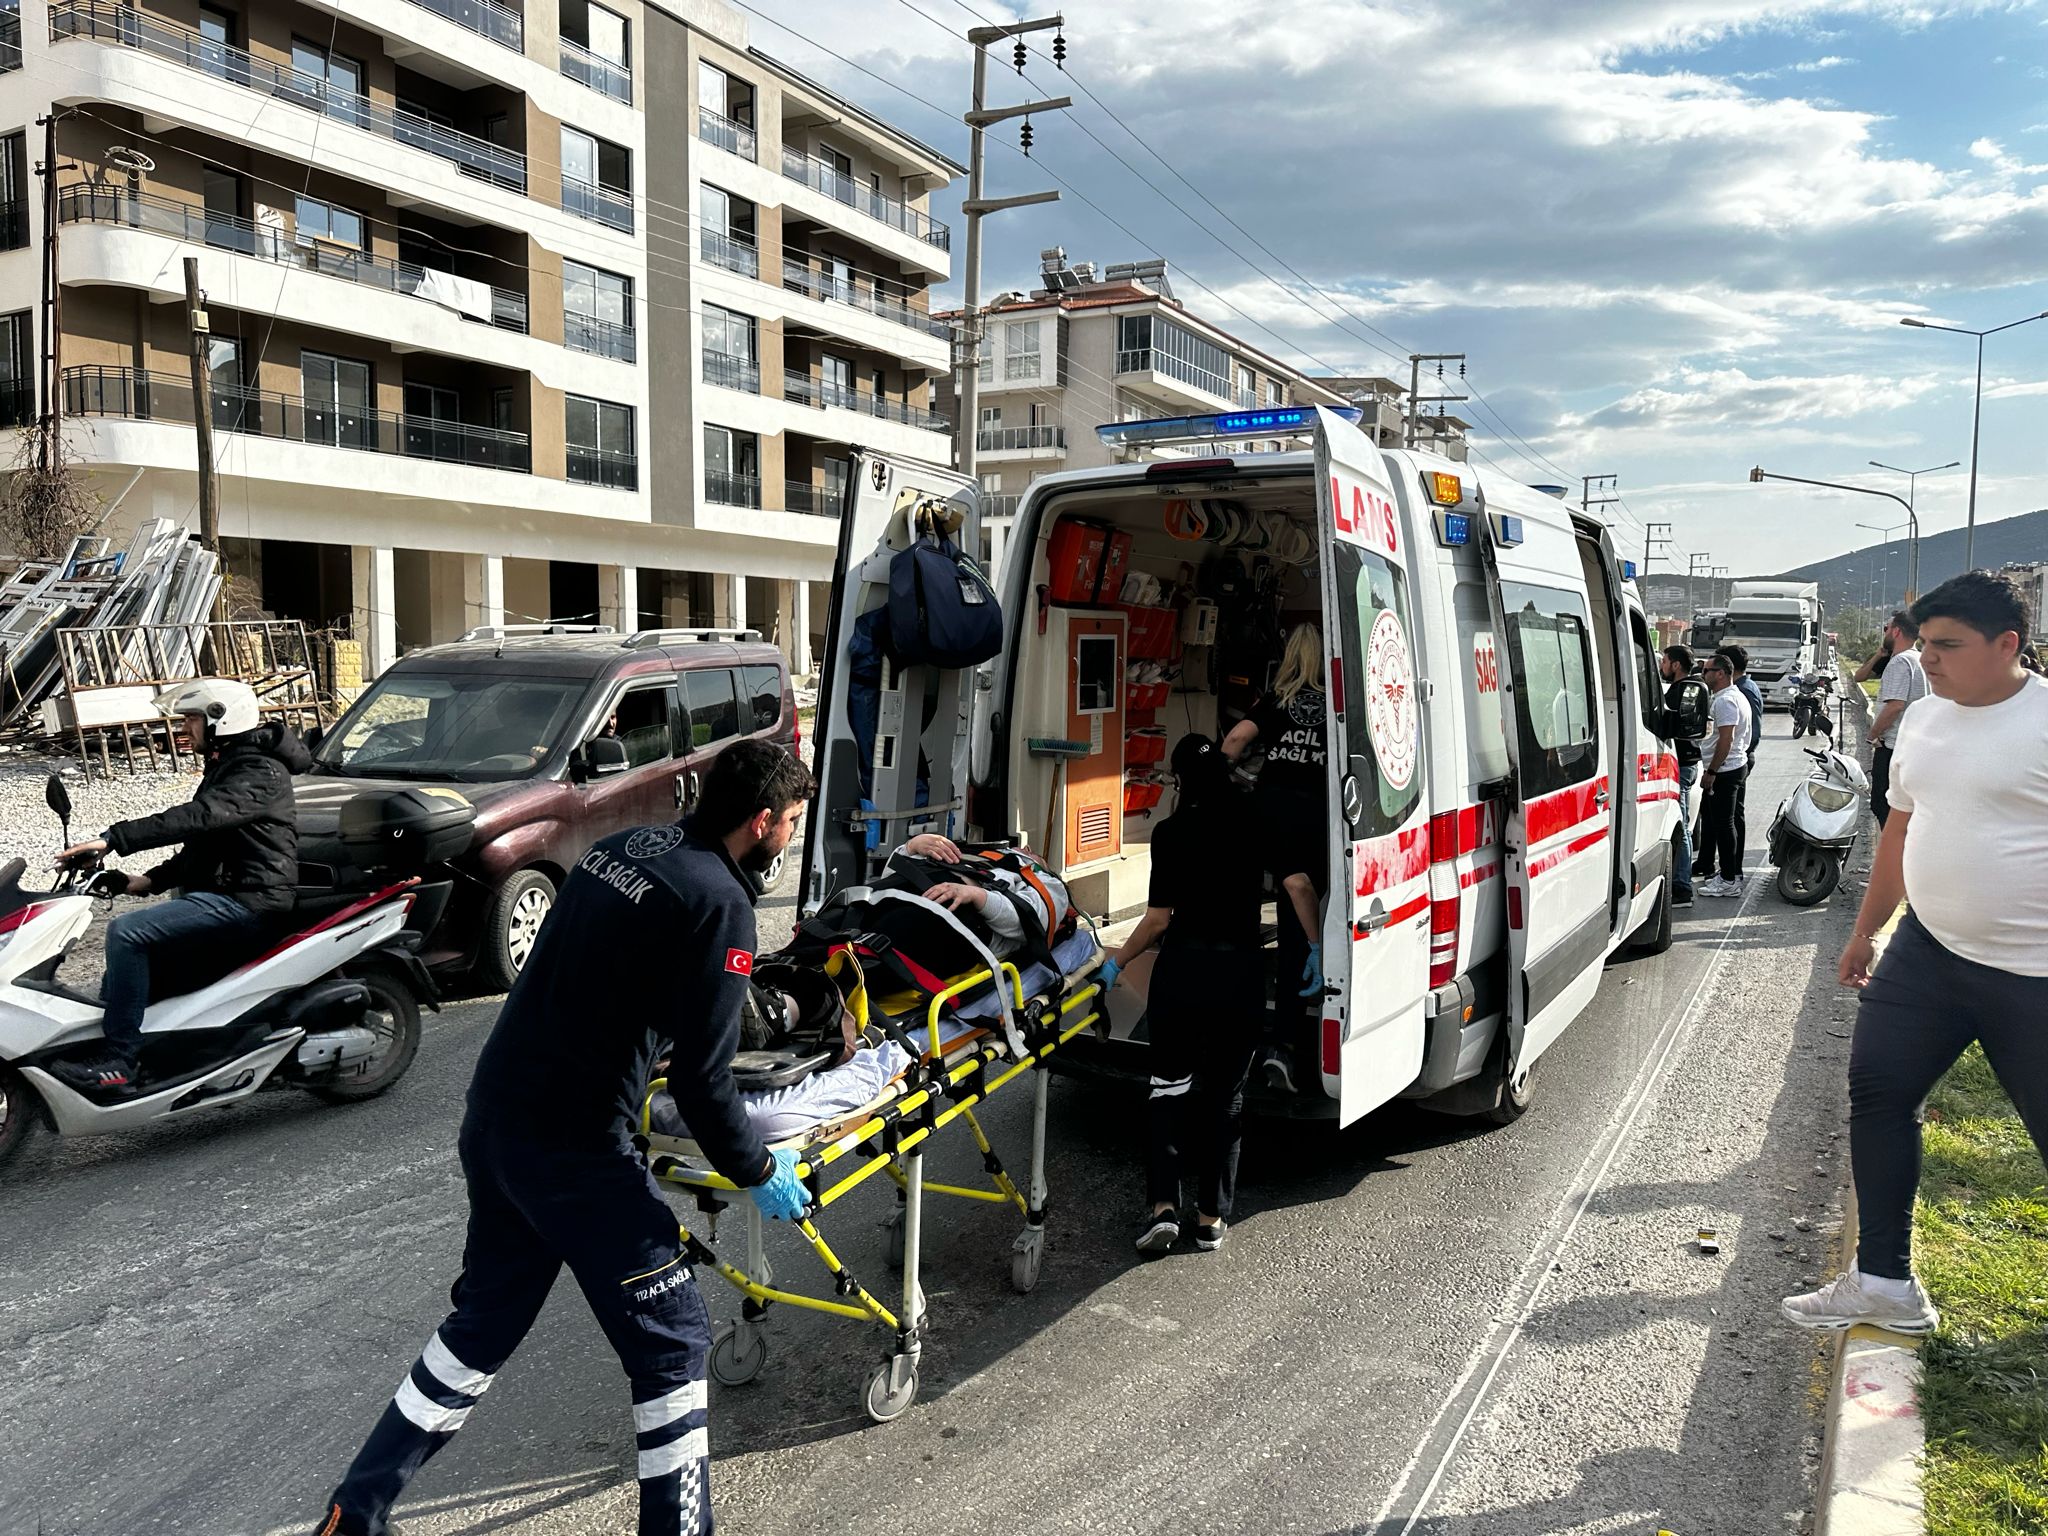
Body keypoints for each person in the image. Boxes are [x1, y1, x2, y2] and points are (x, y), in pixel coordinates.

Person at [314, 741, 816, 1536]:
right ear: (762, 822)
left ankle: (357, 1511)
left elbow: (602, 980)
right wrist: (758, 1169)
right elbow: (704, 1084)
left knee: (480, 1328)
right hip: (577, 1151)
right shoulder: (721, 902)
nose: (789, 835)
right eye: (790, 822)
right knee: (674, 1343)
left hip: (499, 1116)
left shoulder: (625, 848)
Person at [1783, 572, 2048, 1335]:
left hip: (2034, 978)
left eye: (1947, 646)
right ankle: (1885, 1283)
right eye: (1923, 643)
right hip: (1929, 954)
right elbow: (1900, 830)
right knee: (1878, 1094)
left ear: (2008, 646)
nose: (1927, 659)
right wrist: (1868, 928)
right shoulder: (1927, 722)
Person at [51, 679, 310, 1093]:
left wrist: (114, 839)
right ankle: (146, 1056)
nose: (184, 729)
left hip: (252, 901)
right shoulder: (230, 765)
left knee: (128, 931)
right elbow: (203, 847)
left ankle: (121, 1059)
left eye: (191, 719)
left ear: (221, 720)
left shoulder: (259, 772)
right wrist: (145, 881)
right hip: (227, 894)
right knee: (121, 979)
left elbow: (197, 817)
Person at [1097, 734, 1266, 1255]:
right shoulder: (1253, 821)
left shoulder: (1169, 834)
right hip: (1239, 972)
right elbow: (1296, 885)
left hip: (1184, 972)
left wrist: (1114, 964)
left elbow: (1156, 922)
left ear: (1178, 781)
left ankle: (1163, 1209)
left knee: (1168, 1089)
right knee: (1224, 1098)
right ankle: (1211, 1218)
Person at [1222, 621, 1328, 1094]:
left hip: (1276, 811)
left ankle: (1280, 1040)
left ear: (1289, 657)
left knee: (1288, 922)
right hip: (1323, 815)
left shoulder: (1275, 700)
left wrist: (1224, 776)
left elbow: (1234, 742)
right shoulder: (1339, 701)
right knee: (1318, 907)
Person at [1695, 653, 1751, 897]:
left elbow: (1725, 740)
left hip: (1726, 770)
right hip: (1734, 766)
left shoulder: (1725, 701)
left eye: (1707, 670)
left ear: (1720, 673)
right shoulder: (1733, 696)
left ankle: (1729, 880)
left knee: (1724, 825)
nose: (1703, 674)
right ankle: (1732, 873)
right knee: (1730, 822)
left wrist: (1711, 771)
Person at [1867, 611, 1928, 828]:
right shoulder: (1920, 659)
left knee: (1883, 806)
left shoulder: (1899, 662)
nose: (1884, 633)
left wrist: (1873, 735)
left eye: (1886, 628)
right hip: (1916, 747)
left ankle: (1894, 859)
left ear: (1896, 631)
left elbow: (1895, 705)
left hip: (1893, 748)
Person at [1658, 644, 1703, 909]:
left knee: (1682, 826)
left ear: (1675, 665)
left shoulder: (1681, 691)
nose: (1662, 666)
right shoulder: (1692, 688)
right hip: (1688, 763)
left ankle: (1682, 887)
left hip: (1681, 764)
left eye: (1664, 661)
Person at [1714, 644, 1767, 869]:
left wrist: (1734, 758)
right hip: (1738, 758)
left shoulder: (1740, 691)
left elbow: (1748, 733)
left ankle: (1732, 869)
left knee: (1731, 818)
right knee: (1731, 817)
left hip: (1735, 761)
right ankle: (1728, 868)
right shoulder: (1745, 687)